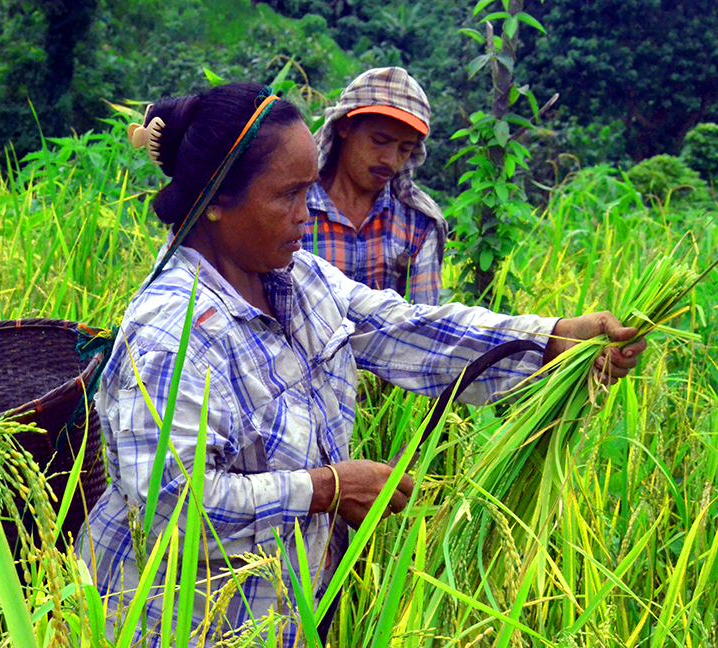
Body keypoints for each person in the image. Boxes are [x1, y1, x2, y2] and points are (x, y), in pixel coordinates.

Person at [76, 82, 645, 647]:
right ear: (216, 202)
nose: (307, 216)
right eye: (288, 195)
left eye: (307, 192)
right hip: (178, 623)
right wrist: (325, 489)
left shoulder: (296, 279)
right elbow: (169, 508)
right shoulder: (170, 334)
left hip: (282, 608)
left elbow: (408, 327)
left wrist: (549, 339)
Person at [303, 67, 446, 305]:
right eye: (379, 141)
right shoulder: (295, 204)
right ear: (345, 127)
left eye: (405, 148)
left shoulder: (418, 224)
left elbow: (423, 324)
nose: (390, 160)